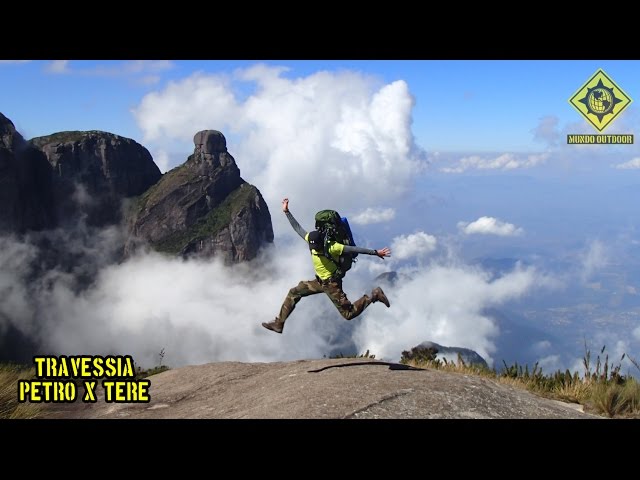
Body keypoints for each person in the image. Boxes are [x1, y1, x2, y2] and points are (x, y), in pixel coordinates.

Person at [262, 198, 392, 334]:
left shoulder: (333, 246)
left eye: (316, 247)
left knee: (348, 314)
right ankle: (279, 323)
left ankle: (374, 295)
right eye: (312, 247)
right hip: (319, 281)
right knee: (294, 292)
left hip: (332, 284)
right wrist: (286, 211)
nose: (313, 249)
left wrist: (376, 252)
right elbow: (298, 228)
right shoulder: (311, 239)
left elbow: (354, 250)